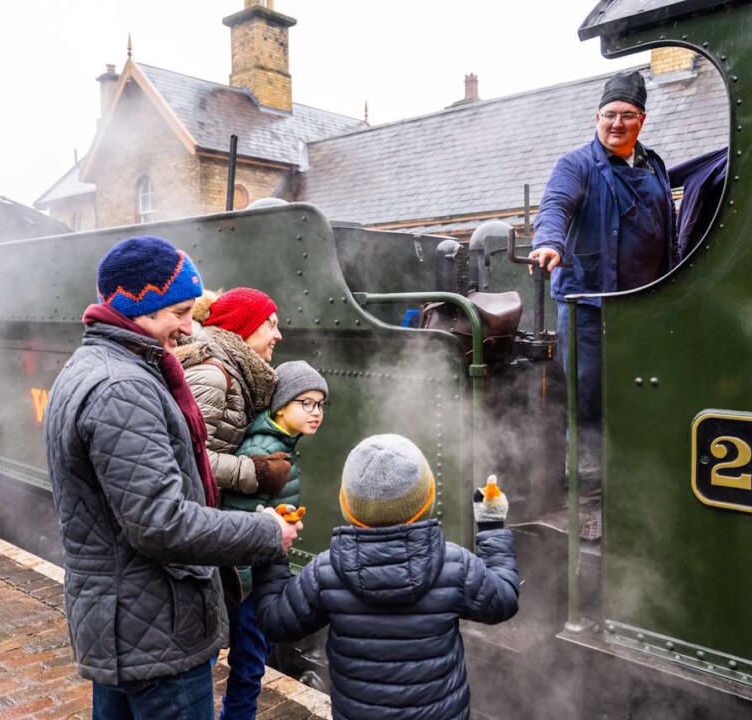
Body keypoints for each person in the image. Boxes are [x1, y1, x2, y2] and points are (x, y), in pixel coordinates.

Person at [44, 235, 301, 720]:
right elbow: (161, 522)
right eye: (179, 312)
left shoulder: (92, 367)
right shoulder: (123, 388)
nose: (190, 327)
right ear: (138, 305)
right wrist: (265, 532)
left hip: (127, 625)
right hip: (156, 630)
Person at [253, 434, 520, 720]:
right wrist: (491, 526)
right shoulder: (454, 564)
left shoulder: (326, 571)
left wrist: (273, 545)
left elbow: (275, 621)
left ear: (347, 504)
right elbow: (503, 599)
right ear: (427, 498)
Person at [529, 70, 675, 482]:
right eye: (609, 114)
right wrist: (550, 243)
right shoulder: (576, 164)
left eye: (626, 115)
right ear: (596, 117)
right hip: (588, 311)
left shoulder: (655, 165)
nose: (617, 123)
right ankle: (588, 495)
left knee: (639, 397)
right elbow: (555, 205)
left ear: (641, 120)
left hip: (645, 307)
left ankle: (632, 483)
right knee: (588, 401)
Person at [175, 287, 294, 719]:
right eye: (270, 324)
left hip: (211, 519)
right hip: (199, 524)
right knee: (204, 643)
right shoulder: (214, 375)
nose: (277, 335)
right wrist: (254, 472)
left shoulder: (236, 372)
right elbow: (188, 455)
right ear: (244, 329)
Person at [220, 360, 329, 720]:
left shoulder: (281, 441)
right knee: (249, 667)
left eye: (320, 405)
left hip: (256, 573)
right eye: (306, 403)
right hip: (249, 582)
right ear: (282, 405)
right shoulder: (265, 447)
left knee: (250, 666)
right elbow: (239, 518)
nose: (316, 413)